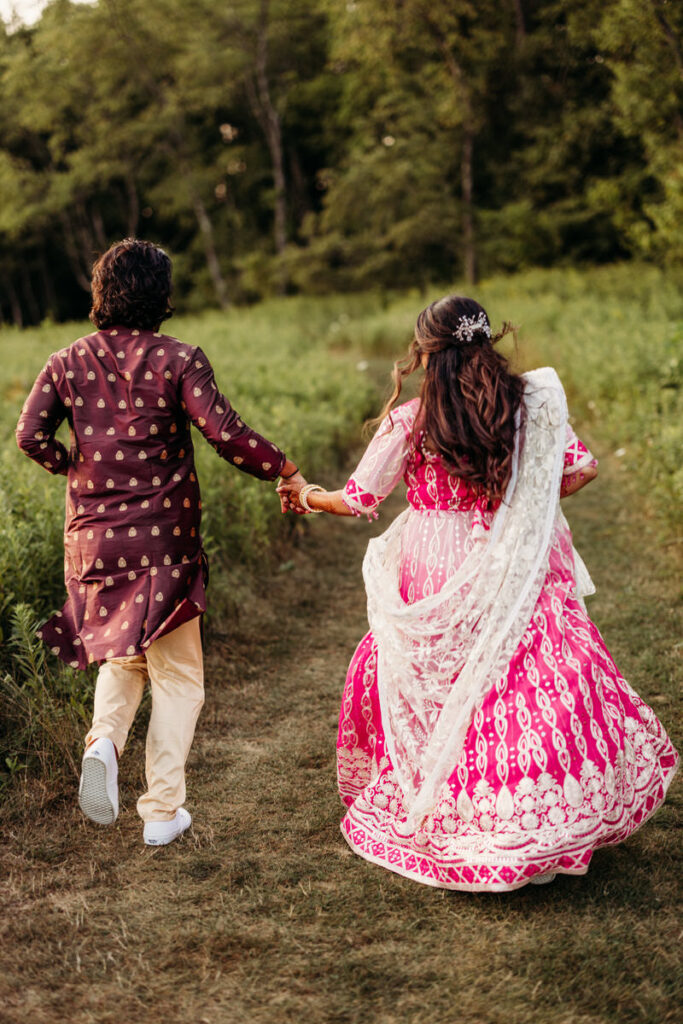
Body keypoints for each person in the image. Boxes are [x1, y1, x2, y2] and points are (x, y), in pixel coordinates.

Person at [278, 295, 678, 891]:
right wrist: (525, 507)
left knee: (441, 683)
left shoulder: (411, 421)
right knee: (516, 678)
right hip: (507, 553)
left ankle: (463, 815)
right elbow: (581, 468)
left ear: (424, 354)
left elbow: (360, 499)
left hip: (432, 561)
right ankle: (531, 819)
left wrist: (306, 494)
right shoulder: (526, 407)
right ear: (486, 343)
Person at [16, 238, 305, 847]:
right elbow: (224, 433)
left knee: (125, 658)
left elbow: (28, 434)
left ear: (102, 293)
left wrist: (72, 463)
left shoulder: (66, 360)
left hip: (93, 544)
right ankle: (161, 810)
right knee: (179, 677)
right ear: (160, 295)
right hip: (162, 543)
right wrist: (283, 469)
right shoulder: (177, 359)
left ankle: (103, 744)